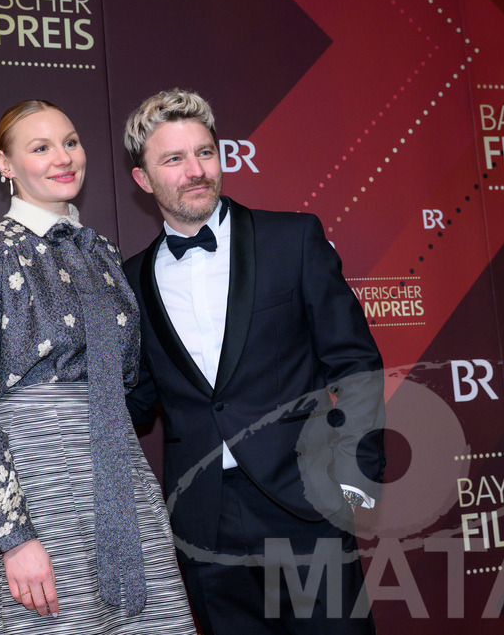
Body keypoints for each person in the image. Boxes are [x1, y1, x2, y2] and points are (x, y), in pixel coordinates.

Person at [0, 99, 196, 634]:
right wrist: (12, 536)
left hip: (117, 489)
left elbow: (125, 383)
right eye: (40, 147)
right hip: (31, 496)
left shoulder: (102, 254)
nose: (63, 158)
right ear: (5, 164)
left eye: (71, 142)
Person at [122, 89, 386, 635]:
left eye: (205, 152)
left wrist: (355, 469)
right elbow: (139, 397)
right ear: (143, 180)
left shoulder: (292, 239)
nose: (196, 171)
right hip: (203, 519)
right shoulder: (131, 279)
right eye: (174, 159)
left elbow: (354, 360)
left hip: (303, 501)